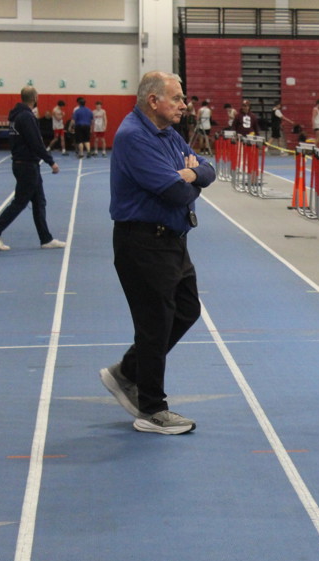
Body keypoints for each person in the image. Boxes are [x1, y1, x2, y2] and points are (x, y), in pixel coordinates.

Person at [100, 71, 216, 435]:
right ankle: (151, 409)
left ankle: (127, 371)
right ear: (154, 101)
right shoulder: (134, 137)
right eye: (177, 98)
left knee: (186, 309)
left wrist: (191, 175)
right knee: (155, 324)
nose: (184, 105)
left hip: (173, 241)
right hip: (144, 243)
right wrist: (190, 179)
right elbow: (176, 193)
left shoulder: (168, 133)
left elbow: (209, 169)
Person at [0, 86, 64, 252]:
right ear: (35, 98)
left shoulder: (17, 116)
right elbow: (36, 142)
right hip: (26, 165)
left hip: (26, 164)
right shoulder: (26, 117)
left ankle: (46, 239)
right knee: (20, 202)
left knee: (39, 202)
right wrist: (51, 162)